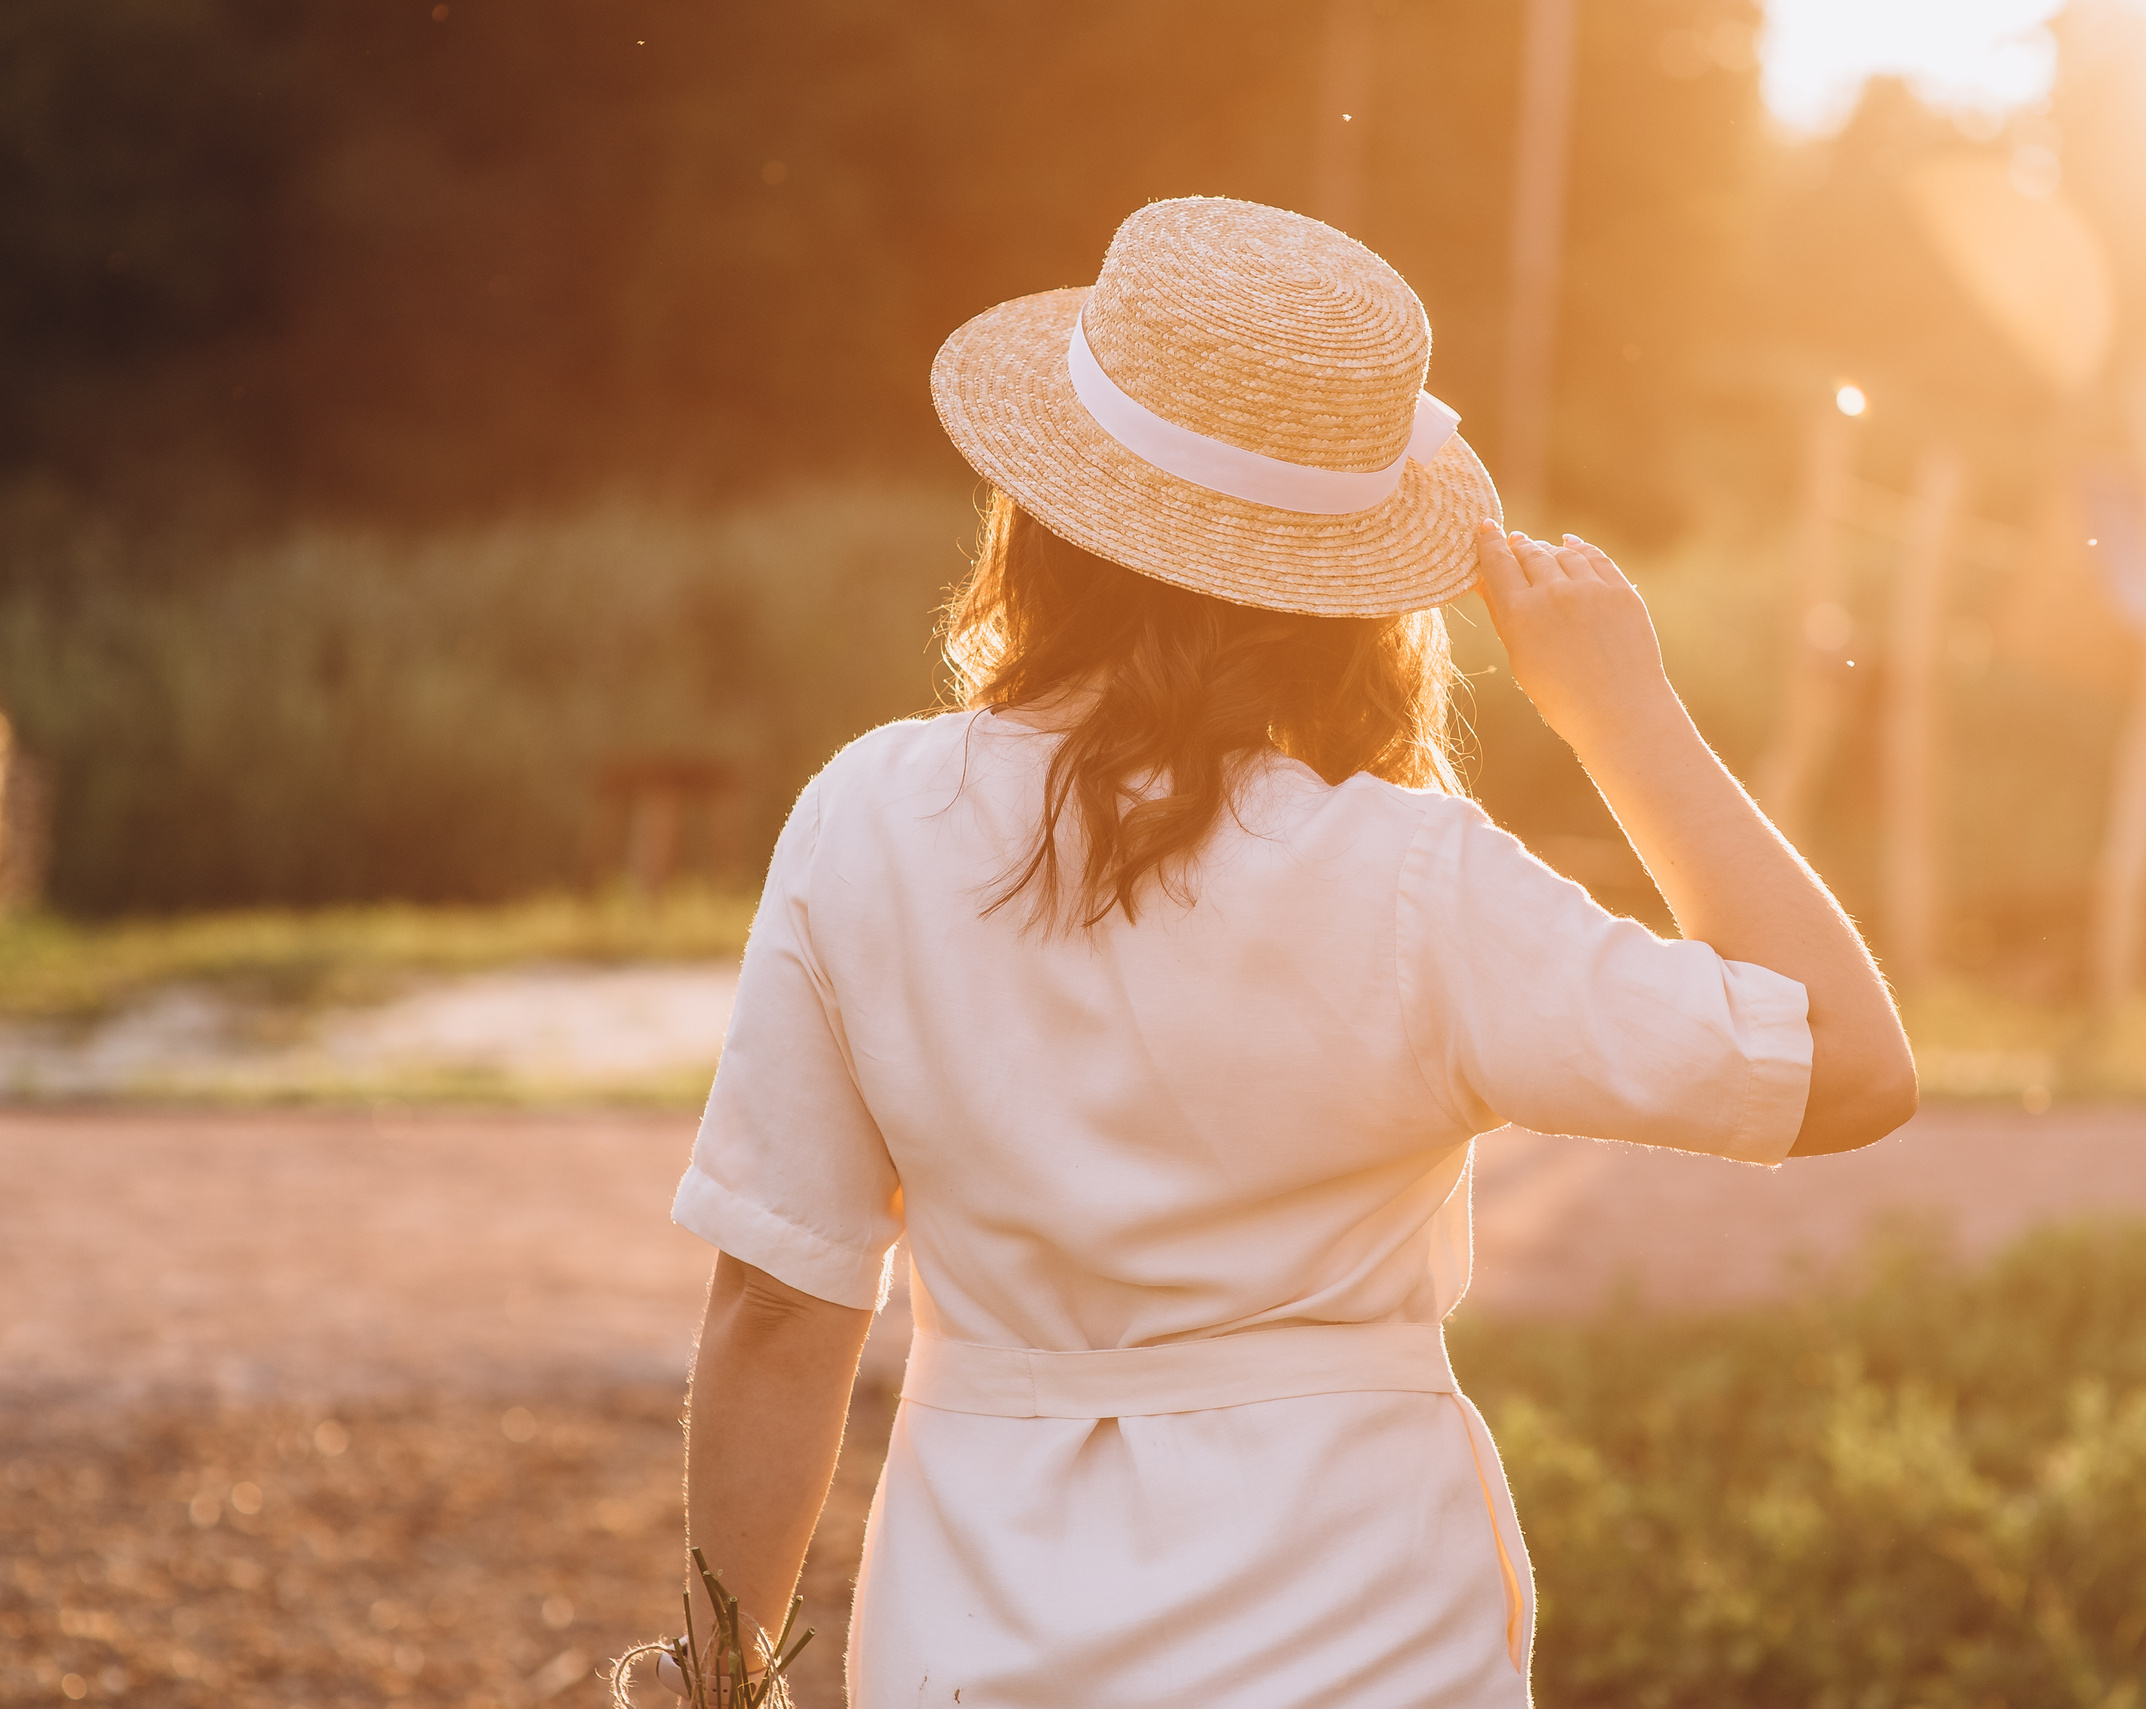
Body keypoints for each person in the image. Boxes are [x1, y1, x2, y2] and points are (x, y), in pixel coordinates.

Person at [661, 197, 1914, 1708]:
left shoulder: (866, 817)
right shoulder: (1413, 883)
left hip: (971, 1642)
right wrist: (1622, 715)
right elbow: (1848, 1063)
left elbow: (783, 1303)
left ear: (1042, 515)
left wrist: (722, 1676)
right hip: (1362, 1643)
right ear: (1352, 594)